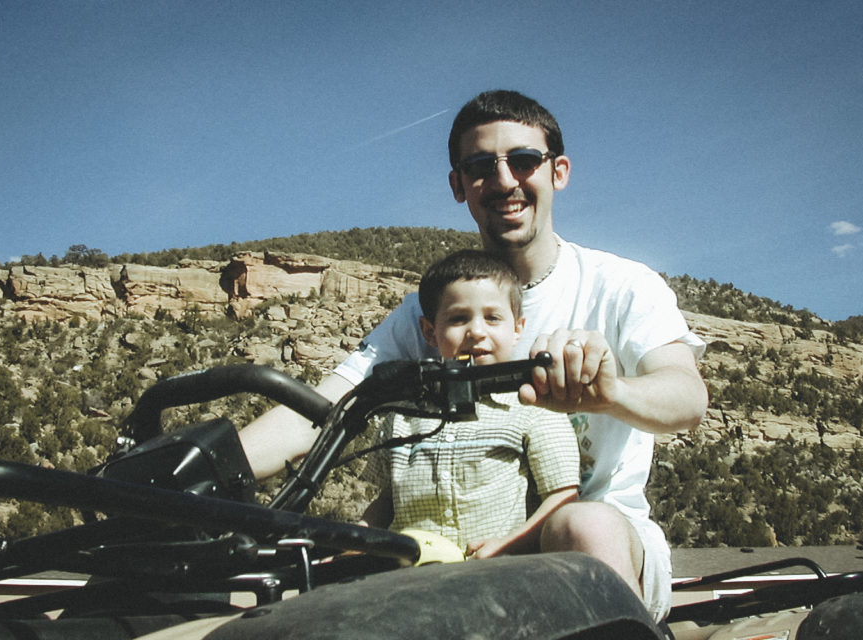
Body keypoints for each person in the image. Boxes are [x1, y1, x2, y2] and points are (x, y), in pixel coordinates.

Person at [239, 89, 708, 621]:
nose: (505, 180)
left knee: (586, 523)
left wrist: (612, 392)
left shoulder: (622, 286)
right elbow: (325, 407)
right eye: (482, 166)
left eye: (524, 160)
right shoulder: (430, 309)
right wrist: (198, 469)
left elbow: (687, 396)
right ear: (458, 185)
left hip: (586, 540)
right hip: (448, 551)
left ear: (558, 172)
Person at [358, 249, 579, 558]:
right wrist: (357, 542)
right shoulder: (402, 415)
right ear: (430, 332)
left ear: (517, 329)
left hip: (497, 577)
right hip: (408, 580)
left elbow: (563, 495)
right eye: (459, 318)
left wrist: (510, 544)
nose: (476, 331)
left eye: (492, 318)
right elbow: (387, 500)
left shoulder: (534, 407)